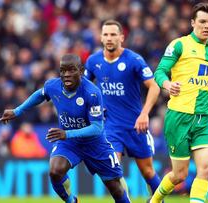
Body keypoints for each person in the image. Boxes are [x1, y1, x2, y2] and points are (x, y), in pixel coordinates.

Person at [0, 54, 131, 203]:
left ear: (80, 71)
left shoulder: (92, 92)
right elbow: (40, 94)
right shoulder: (53, 86)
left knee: (116, 188)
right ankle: (72, 201)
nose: (66, 74)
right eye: (63, 70)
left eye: (71, 70)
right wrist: (17, 111)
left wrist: (66, 133)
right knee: (55, 171)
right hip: (69, 143)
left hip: (94, 144)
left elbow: (97, 127)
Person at [148, 3, 208, 203]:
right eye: (202, 21)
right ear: (193, 22)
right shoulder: (179, 45)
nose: (207, 26)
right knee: (179, 175)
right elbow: (159, 71)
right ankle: (155, 200)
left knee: (206, 168)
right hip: (178, 117)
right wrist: (167, 84)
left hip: (204, 119)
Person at [85, 20, 162, 196]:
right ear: (101, 38)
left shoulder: (134, 60)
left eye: (113, 34)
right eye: (106, 34)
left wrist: (144, 114)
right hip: (111, 127)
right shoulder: (93, 61)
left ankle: (158, 201)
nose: (109, 38)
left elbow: (154, 86)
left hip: (136, 125)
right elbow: (84, 89)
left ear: (122, 37)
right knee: (113, 174)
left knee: (148, 172)